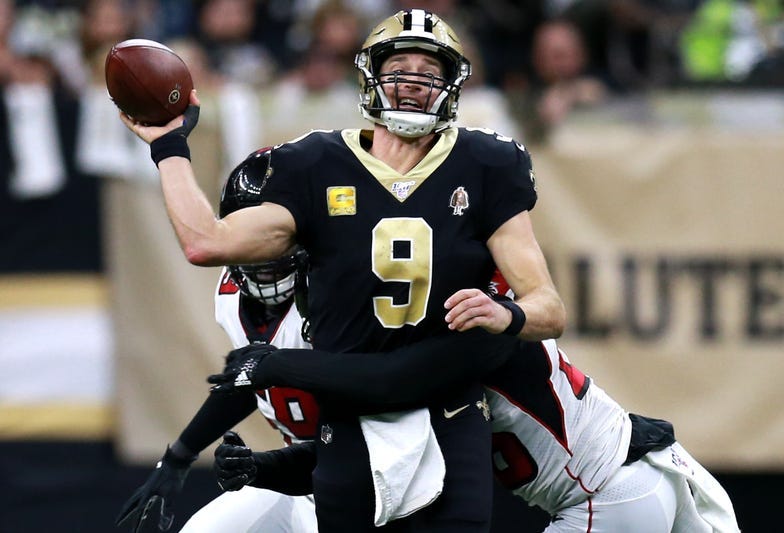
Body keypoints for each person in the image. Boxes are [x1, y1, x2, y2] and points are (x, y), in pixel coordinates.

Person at [120, 8, 565, 531]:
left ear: (451, 84)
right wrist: (170, 145)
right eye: (401, 70)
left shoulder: (486, 163)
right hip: (348, 424)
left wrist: (506, 313)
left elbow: (549, 310)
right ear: (372, 75)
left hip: (450, 417)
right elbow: (205, 243)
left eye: (430, 72)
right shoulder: (314, 163)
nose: (414, 85)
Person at [210, 278, 741, 532]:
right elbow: (357, 449)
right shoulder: (468, 325)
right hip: (649, 475)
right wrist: (259, 467)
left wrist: (277, 366)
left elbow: (388, 383)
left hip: (608, 495)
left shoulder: (465, 337)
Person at [114, 152, 318, 533]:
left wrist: (263, 465)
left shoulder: (335, 294)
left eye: (274, 240)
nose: (263, 255)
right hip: (299, 471)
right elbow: (248, 380)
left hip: (360, 471)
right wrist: (177, 457)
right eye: (250, 239)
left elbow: (361, 409)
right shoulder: (230, 295)